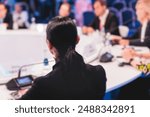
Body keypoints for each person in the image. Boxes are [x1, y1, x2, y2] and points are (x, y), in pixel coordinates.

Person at [20, 16, 107, 100]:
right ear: (77, 39)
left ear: (49, 45)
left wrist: (30, 94)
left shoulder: (42, 85)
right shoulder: (99, 73)